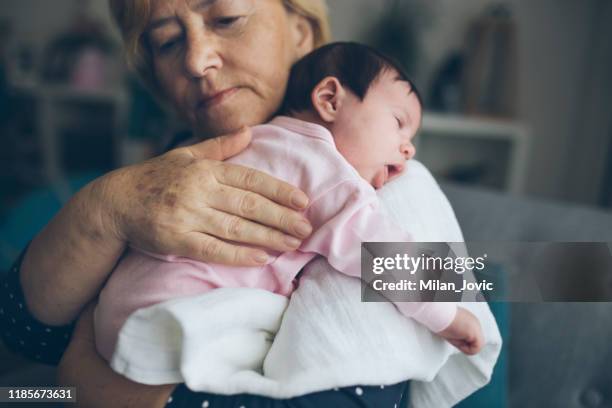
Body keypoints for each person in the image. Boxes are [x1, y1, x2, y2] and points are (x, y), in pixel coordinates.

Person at [0, 1, 415, 407]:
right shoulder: (175, 161)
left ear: (300, 31)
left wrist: (93, 390)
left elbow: (443, 294)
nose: (196, 61)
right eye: (166, 42)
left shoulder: (385, 179)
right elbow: (25, 330)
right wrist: (105, 210)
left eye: (227, 19)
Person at [95, 43, 483, 373]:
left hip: (116, 308)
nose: (408, 149)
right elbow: (380, 249)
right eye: (399, 123)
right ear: (329, 100)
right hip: (178, 318)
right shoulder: (328, 171)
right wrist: (450, 315)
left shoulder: (260, 140)